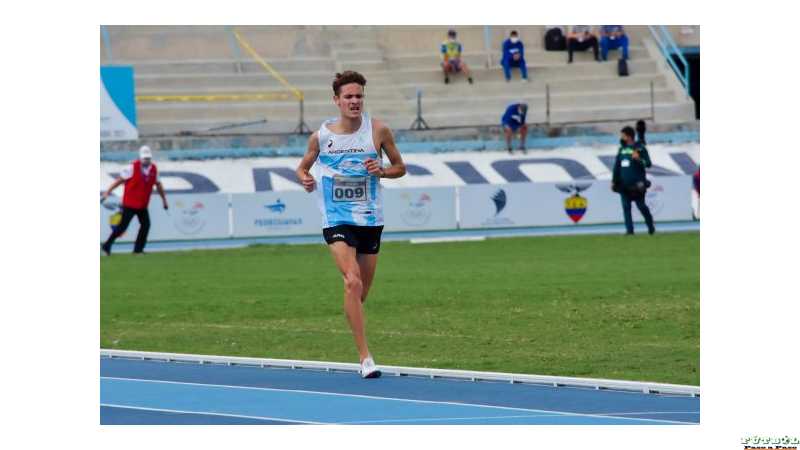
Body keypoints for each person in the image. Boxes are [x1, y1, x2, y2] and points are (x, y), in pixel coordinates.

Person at [295, 71, 407, 379]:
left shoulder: (379, 130)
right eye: (348, 97)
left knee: (360, 295)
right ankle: (365, 358)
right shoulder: (321, 137)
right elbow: (303, 167)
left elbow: (401, 168)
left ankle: (352, 318)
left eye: (359, 96)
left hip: (370, 218)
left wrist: (382, 171)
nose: (354, 101)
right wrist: (305, 178)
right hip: (335, 216)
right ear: (337, 101)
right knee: (352, 282)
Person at [101, 146, 168, 255]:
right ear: (140, 158)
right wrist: (108, 191)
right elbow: (119, 181)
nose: (146, 160)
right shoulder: (131, 168)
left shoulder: (154, 169)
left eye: (148, 158)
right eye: (144, 158)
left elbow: (159, 185)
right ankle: (107, 245)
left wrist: (164, 200)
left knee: (146, 225)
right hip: (130, 204)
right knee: (122, 227)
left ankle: (138, 250)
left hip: (142, 205)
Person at [612, 126, 655, 235]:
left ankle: (650, 227)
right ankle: (629, 231)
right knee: (626, 208)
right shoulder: (621, 149)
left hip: (638, 185)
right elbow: (617, 166)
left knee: (641, 207)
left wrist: (638, 159)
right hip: (624, 185)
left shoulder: (640, 148)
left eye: (623, 136)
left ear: (629, 136)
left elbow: (648, 164)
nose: (621, 138)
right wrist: (614, 180)